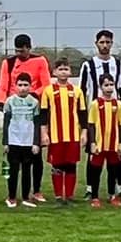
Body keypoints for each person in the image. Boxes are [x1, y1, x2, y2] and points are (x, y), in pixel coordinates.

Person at [41, 59, 87, 204]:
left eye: (66, 69)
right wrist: (44, 133)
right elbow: (43, 114)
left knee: (71, 165)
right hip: (55, 136)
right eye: (60, 69)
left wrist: (84, 132)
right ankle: (59, 195)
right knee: (57, 166)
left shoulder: (77, 91)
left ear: (70, 72)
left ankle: (70, 195)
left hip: (73, 135)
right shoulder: (48, 91)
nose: (63, 72)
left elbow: (82, 114)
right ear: (54, 72)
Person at [0, 71, 43, 208]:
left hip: (28, 141)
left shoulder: (34, 102)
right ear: (15, 86)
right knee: (13, 170)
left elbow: (37, 124)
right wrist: (5, 142)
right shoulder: (10, 101)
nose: (23, 88)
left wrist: (36, 143)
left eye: (26, 85)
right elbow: (6, 123)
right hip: (13, 141)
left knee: (26, 170)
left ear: (30, 86)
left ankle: (25, 197)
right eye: (20, 85)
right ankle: (11, 197)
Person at [86, 77, 121, 208]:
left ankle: (111, 195)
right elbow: (91, 124)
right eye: (106, 85)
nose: (109, 87)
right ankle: (95, 196)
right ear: (101, 87)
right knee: (96, 171)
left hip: (113, 145)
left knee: (113, 171)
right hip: (99, 144)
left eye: (111, 84)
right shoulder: (95, 104)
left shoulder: (119, 104)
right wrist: (92, 142)